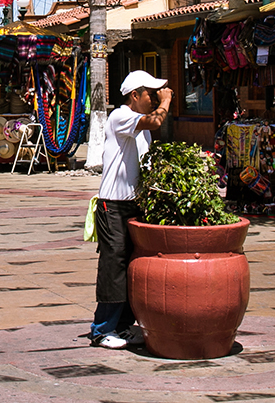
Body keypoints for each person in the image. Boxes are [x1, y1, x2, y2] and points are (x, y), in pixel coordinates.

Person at [90, 70, 172, 350]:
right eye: (150, 93)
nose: (154, 98)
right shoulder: (121, 116)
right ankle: (102, 329)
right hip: (112, 205)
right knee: (114, 266)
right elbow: (156, 121)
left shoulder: (138, 128)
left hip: (132, 204)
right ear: (134, 95)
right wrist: (167, 101)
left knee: (132, 266)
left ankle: (123, 325)